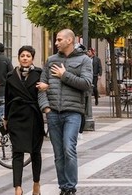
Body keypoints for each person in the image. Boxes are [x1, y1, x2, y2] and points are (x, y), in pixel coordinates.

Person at [37, 29, 93, 195]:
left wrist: (64, 75)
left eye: (59, 39)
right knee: (58, 153)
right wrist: (46, 108)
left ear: (69, 40)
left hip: (73, 112)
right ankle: (63, 188)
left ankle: (70, 187)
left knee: (69, 148)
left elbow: (87, 84)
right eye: (56, 39)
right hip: (53, 112)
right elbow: (41, 86)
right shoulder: (51, 60)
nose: (56, 43)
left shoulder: (84, 60)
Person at [4, 45, 44, 195]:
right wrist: (6, 117)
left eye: (28, 56)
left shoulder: (39, 74)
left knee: (35, 152)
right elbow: (7, 98)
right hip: (16, 117)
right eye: (22, 56)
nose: (25, 58)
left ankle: (36, 183)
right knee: (17, 152)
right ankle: (17, 188)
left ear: (32, 58)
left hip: (34, 117)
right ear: (18, 58)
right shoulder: (10, 76)